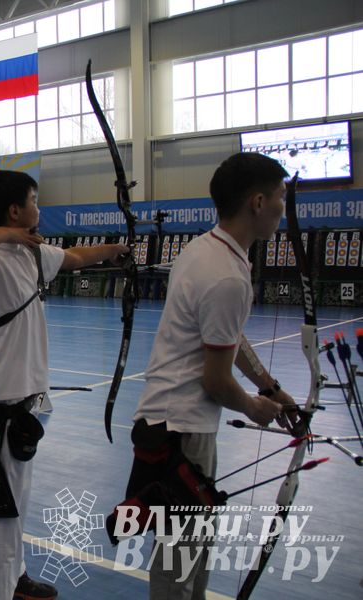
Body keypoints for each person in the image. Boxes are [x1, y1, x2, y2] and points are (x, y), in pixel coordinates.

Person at [124, 152, 296, 600]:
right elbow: (215, 382)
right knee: (180, 559)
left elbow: (229, 339)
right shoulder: (226, 276)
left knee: (193, 549)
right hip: (181, 431)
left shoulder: (206, 249)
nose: (284, 205)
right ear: (257, 202)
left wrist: (272, 388)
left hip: (175, 425)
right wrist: (256, 408)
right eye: (281, 196)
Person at [0, 169, 128, 600]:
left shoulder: (34, 254)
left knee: (17, 500)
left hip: (24, 402)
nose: (39, 208)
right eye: (33, 200)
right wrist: (8, 234)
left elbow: (74, 259)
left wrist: (119, 249)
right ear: (14, 211)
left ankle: (15, 576)